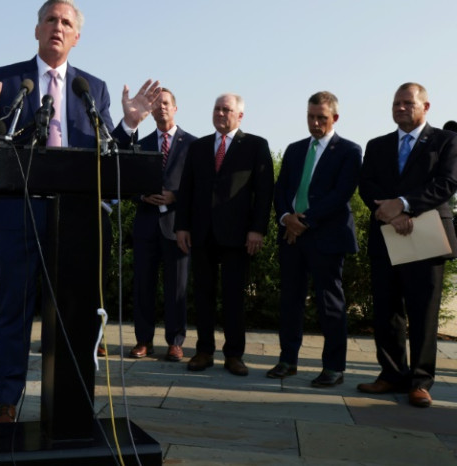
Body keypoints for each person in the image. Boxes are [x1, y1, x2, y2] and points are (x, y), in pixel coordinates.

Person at [0, 0, 160, 423]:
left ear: (76, 36)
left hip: (76, 221)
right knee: (15, 309)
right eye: (50, 20)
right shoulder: (9, 79)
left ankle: (72, 405)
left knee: (75, 313)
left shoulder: (91, 88)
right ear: (37, 30)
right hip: (19, 215)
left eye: (65, 22)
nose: (57, 27)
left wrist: (128, 124)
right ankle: (7, 401)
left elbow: (107, 155)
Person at [358, 82, 457, 408]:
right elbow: (367, 183)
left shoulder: (445, 141)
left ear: (425, 107)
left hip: (427, 235)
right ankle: (391, 374)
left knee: (423, 311)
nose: (400, 107)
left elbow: (447, 183)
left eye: (407, 103)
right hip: (387, 234)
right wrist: (389, 213)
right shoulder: (377, 144)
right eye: (396, 103)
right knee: (387, 311)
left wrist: (402, 204)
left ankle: (420, 381)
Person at [267, 92, 362, 387]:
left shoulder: (349, 150)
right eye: (311, 116)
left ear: (334, 118)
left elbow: (341, 193)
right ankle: (287, 360)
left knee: (329, 303)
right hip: (291, 235)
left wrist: (303, 221)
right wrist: (286, 218)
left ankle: (334, 367)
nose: (315, 122)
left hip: (327, 236)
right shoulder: (295, 150)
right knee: (290, 300)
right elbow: (281, 189)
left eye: (321, 117)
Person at [175, 93, 274, 376]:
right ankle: (204, 351)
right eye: (217, 109)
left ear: (239, 115)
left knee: (234, 297)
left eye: (226, 110)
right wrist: (182, 226)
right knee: (202, 294)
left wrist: (257, 229)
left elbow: (265, 192)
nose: (220, 114)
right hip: (201, 234)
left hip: (238, 235)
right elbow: (187, 188)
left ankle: (234, 355)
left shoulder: (255, 145)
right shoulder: (198, 147)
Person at [130, 88, 197, 362]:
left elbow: (199, 187)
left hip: (177, 226)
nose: (161, 108)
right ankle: (143, 341)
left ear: (175, 108)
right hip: (146, 225)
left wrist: (176, 196)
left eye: (166, 103)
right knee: (143, 285)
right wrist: (142, 195)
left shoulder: (193, 145)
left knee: (177, 288)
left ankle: (175, 342)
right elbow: (128, 183)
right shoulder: (141, 144)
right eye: (156, 105)